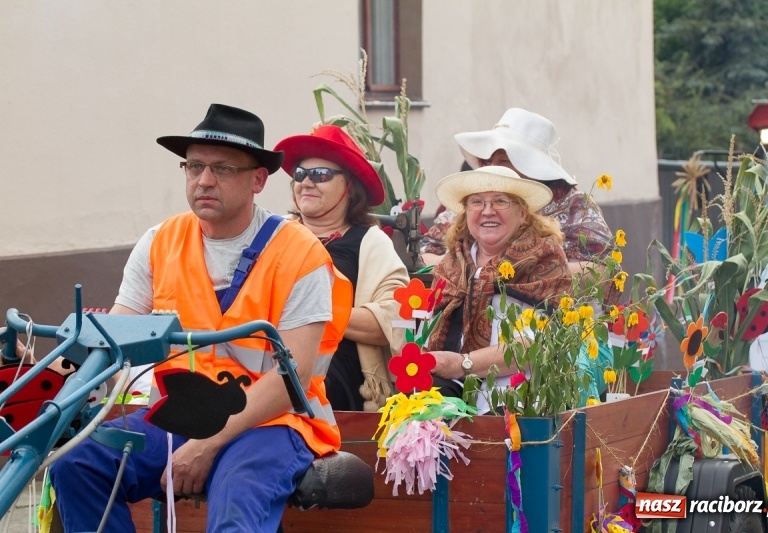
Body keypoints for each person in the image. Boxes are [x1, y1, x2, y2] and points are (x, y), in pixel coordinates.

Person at [50, 104, 352, 532]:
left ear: (258, 180)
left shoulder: (301, 254)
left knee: (234, 506)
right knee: (76, 465)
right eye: (194, 167)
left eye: (223, 169)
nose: (204, 180)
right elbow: (116, 336)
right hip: (178, 417)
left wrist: (208, 443)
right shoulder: (159, 241)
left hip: (274, 422)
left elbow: (295, 377)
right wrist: (69, 375)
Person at [274, 125, 409, 411]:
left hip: (336, 377)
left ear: (350, 186)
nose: (306, 182)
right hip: (267, 358)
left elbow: (393, 323)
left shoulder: (370, 242)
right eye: (300, 174)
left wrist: (306, 312)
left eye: (320, 175)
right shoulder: (275, 233)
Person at [425, 166, 573, 410]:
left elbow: (535, 345)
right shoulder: (453, 262)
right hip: (452, 386)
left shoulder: (545, 259)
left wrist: (464, 364)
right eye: (476, 202)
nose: (487, 211)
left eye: (500, 201)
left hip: (521, 391)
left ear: (523, 213)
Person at [420, 108, 615, 281]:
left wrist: (525, 272)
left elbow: (602, 271)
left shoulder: (574, 205)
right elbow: (424, 255)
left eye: (503, 161)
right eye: (487, 161)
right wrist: (471, 270)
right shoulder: (474, 201)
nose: (492, 168)